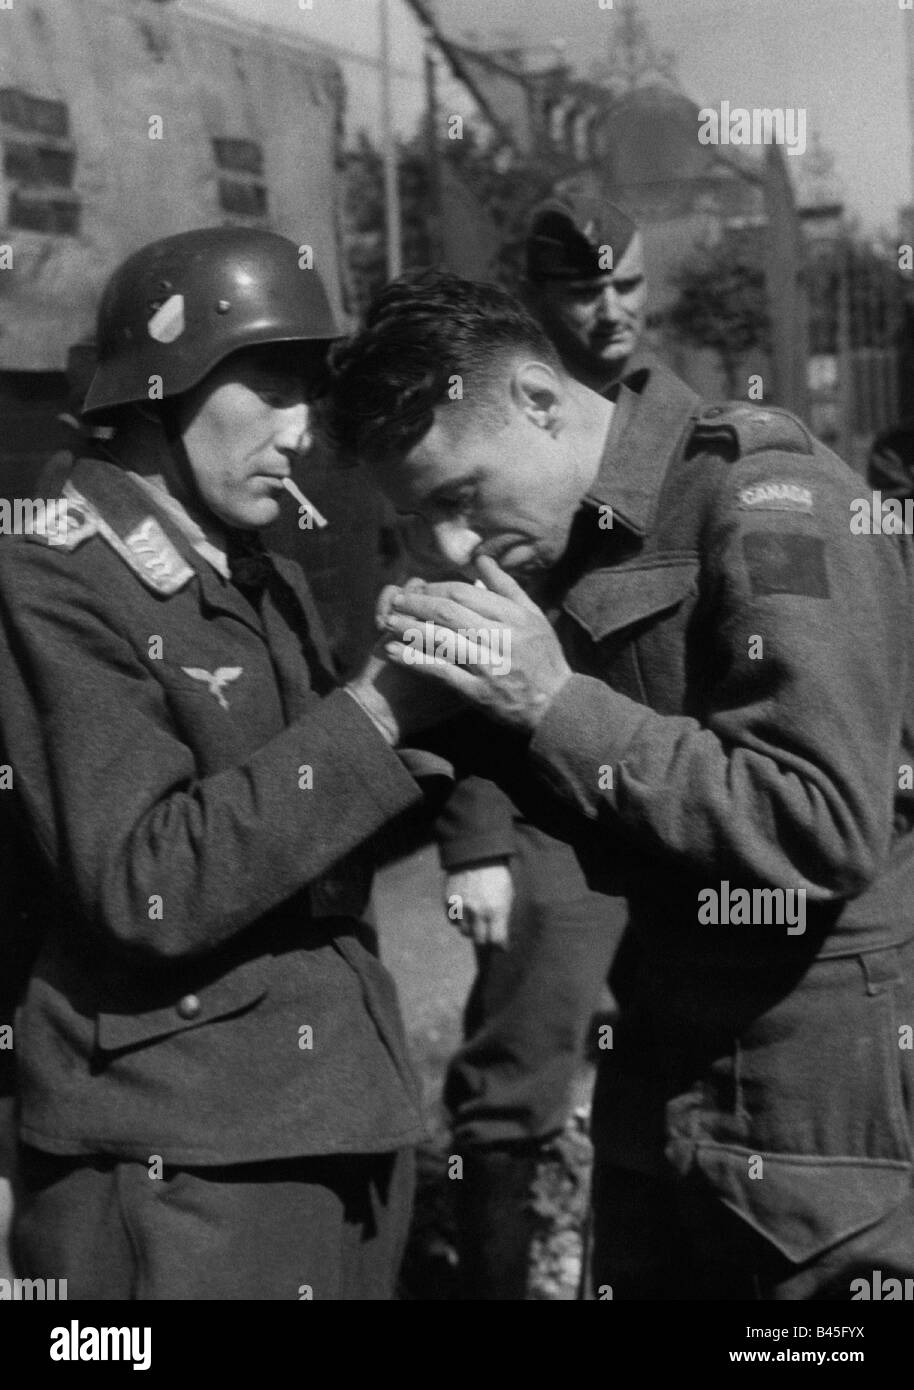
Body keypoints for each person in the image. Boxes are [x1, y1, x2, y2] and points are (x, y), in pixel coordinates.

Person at [326, 269, 914, 1300]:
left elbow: (819, 822)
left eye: (459, 498)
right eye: (421, 520)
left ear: (541, 401)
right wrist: (415, 707)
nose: (454, 543)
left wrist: (548, 702)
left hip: (818, 1105)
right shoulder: (570, 534)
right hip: (670, 1079)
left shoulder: (768, 499)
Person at [0, 228, 452, 1301]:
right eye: (273, 385)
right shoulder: (52, 579)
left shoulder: (257, 574)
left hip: (324, 1117)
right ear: (162, 390)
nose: (304, 431)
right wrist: (377, 711)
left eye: (311, 389)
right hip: (183, 1156)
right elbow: (144, 880)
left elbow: (311, 835)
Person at [433, 196, 678, 1298]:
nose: (611, 310)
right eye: (584, 290)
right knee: (521, 1066)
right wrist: (474, 838)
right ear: (538, 300)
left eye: (626, 284)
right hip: (539, 812)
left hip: (665, 796)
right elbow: (449, 637)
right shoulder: (486, 432)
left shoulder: (678, 425)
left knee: (671, 1069)